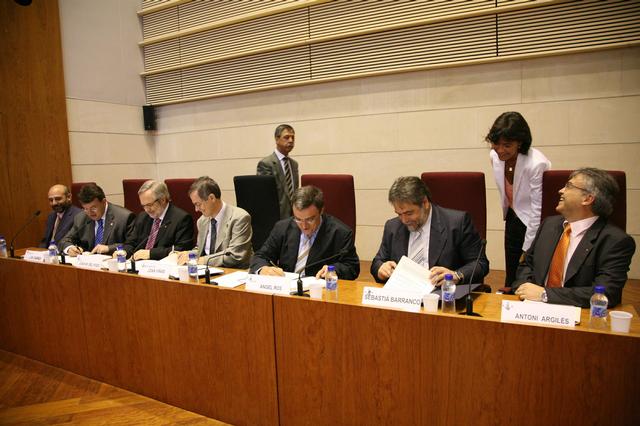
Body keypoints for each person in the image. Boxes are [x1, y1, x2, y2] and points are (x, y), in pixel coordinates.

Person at [513, 168, 635, 308]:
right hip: (530, 308)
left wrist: (545, 294)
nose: (560, 190)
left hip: (579, 314)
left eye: (569, 186)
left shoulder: (615, 241)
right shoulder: (549, 225)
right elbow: (527, 264)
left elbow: (607, 292)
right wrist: (523, 287)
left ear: (587, 199)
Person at [371, 176, 489, 286]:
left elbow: (480, 263)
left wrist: (456, 275)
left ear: (425, 203)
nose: (404, 220)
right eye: (399, 214)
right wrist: (381, 269)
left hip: (443, 294)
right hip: (403, 293)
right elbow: (378, 262)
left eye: (409, 213)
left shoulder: (457, 223)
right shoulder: (392, 226)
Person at [486, 111, 551, 287]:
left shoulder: (536, 164)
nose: (500, 150)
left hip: (532, 221)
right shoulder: (495, 156)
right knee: (511, 270)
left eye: (507, 145)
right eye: (496, 144)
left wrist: (528, 248)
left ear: (520, 143)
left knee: (527, 271)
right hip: (513, 215)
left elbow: (538, 208)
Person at [250, 186, 360, 280]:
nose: (304, 226)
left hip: (319, 290)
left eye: (310, 219)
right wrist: (263, 269)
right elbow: (261, 256)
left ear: (321, 211)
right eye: (298, 219)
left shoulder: (340, 233)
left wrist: (334, 270)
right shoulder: (282, 227)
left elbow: (352, 267)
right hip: (285, 289)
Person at [177, 176, 253, 268]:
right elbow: (201, 249)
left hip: (234, 271)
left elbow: (235, 255)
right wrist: (188, 254)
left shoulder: (239, 218)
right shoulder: (202, 221)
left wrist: (201, 260)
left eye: (198, 204)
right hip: (208, 270)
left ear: (212, 198)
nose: (196, 209)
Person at [122, 180, 193, 261]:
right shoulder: (142, 217)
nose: (146, 210)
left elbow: (181, 249)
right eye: (143, 206)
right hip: (140, 264)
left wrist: (150, 254)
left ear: (162, 200)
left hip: (163, 265)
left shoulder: (182, 219)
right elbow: (131, 243)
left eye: (149, 205)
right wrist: (124, 252)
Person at [59, 183, 135, 256]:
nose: (89, 213)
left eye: (93, 208)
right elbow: (65, 241)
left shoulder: (124, 217)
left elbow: (131, 246)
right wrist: (70, 248)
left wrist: (109, 248)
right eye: (85, 208)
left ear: (104, 202)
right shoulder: (81, 218)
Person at [257, 124, 299, 219]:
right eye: (286, 137)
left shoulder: (294, 164)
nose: (291, 140)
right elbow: (265, 196)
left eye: (293, 137)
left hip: (294, 216)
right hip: (276, 217)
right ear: (277, 139)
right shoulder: (266, 164)